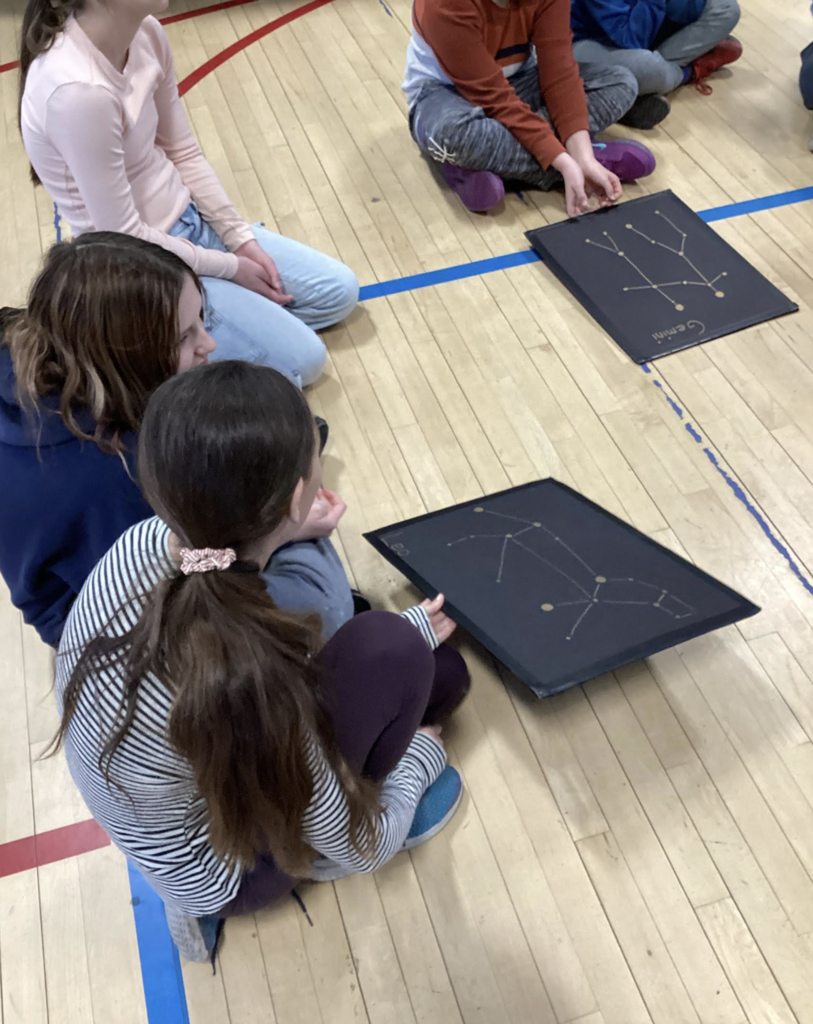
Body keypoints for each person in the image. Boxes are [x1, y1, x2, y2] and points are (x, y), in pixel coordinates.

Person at [53, 359, 471, 961]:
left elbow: (216, 564)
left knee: (433, 666)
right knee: (412, 664)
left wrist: (288, 532)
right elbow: (357, 843)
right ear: (297, 495)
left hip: (163, 802)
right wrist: (421, 761)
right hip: (232, 872)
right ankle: (290, 869)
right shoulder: (254, 671)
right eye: (315, 448)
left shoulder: (150, 542)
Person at [0, 233, 353, 648]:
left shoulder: (40, 342)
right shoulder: (122, 472)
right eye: (184, 337)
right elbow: (176, 566)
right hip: (127, 628)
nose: (209, 344)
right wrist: (283, 534)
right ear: (129, 357)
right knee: (316, 571)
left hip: (95, 565)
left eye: (202, 320)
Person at [18, 0, 359, 387]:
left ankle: (215, 319)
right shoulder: (77, 92)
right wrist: (229, 268)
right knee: (305, 363)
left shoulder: (145, 32)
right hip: (143, 271)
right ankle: (159, 344)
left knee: (338, 292)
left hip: (189, 224)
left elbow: (182, 150)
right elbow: (124, 238)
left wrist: (238, 239)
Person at [402, 0, 658, 217]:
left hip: (520, 82)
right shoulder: (445, 4)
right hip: (445, 95)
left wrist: (581, 155)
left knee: (621, 83)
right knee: (453, 137)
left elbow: (559, 74)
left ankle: (486, 164)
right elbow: (494, 97)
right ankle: (565, 167)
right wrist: (565, 164)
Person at [571, 0, 742, 126]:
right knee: (647, 67)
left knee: (727, 9)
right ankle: (686, 72)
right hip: (577, 44)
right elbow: (631, 38)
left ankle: (639, 91)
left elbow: (689, 10)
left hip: (637, 30)